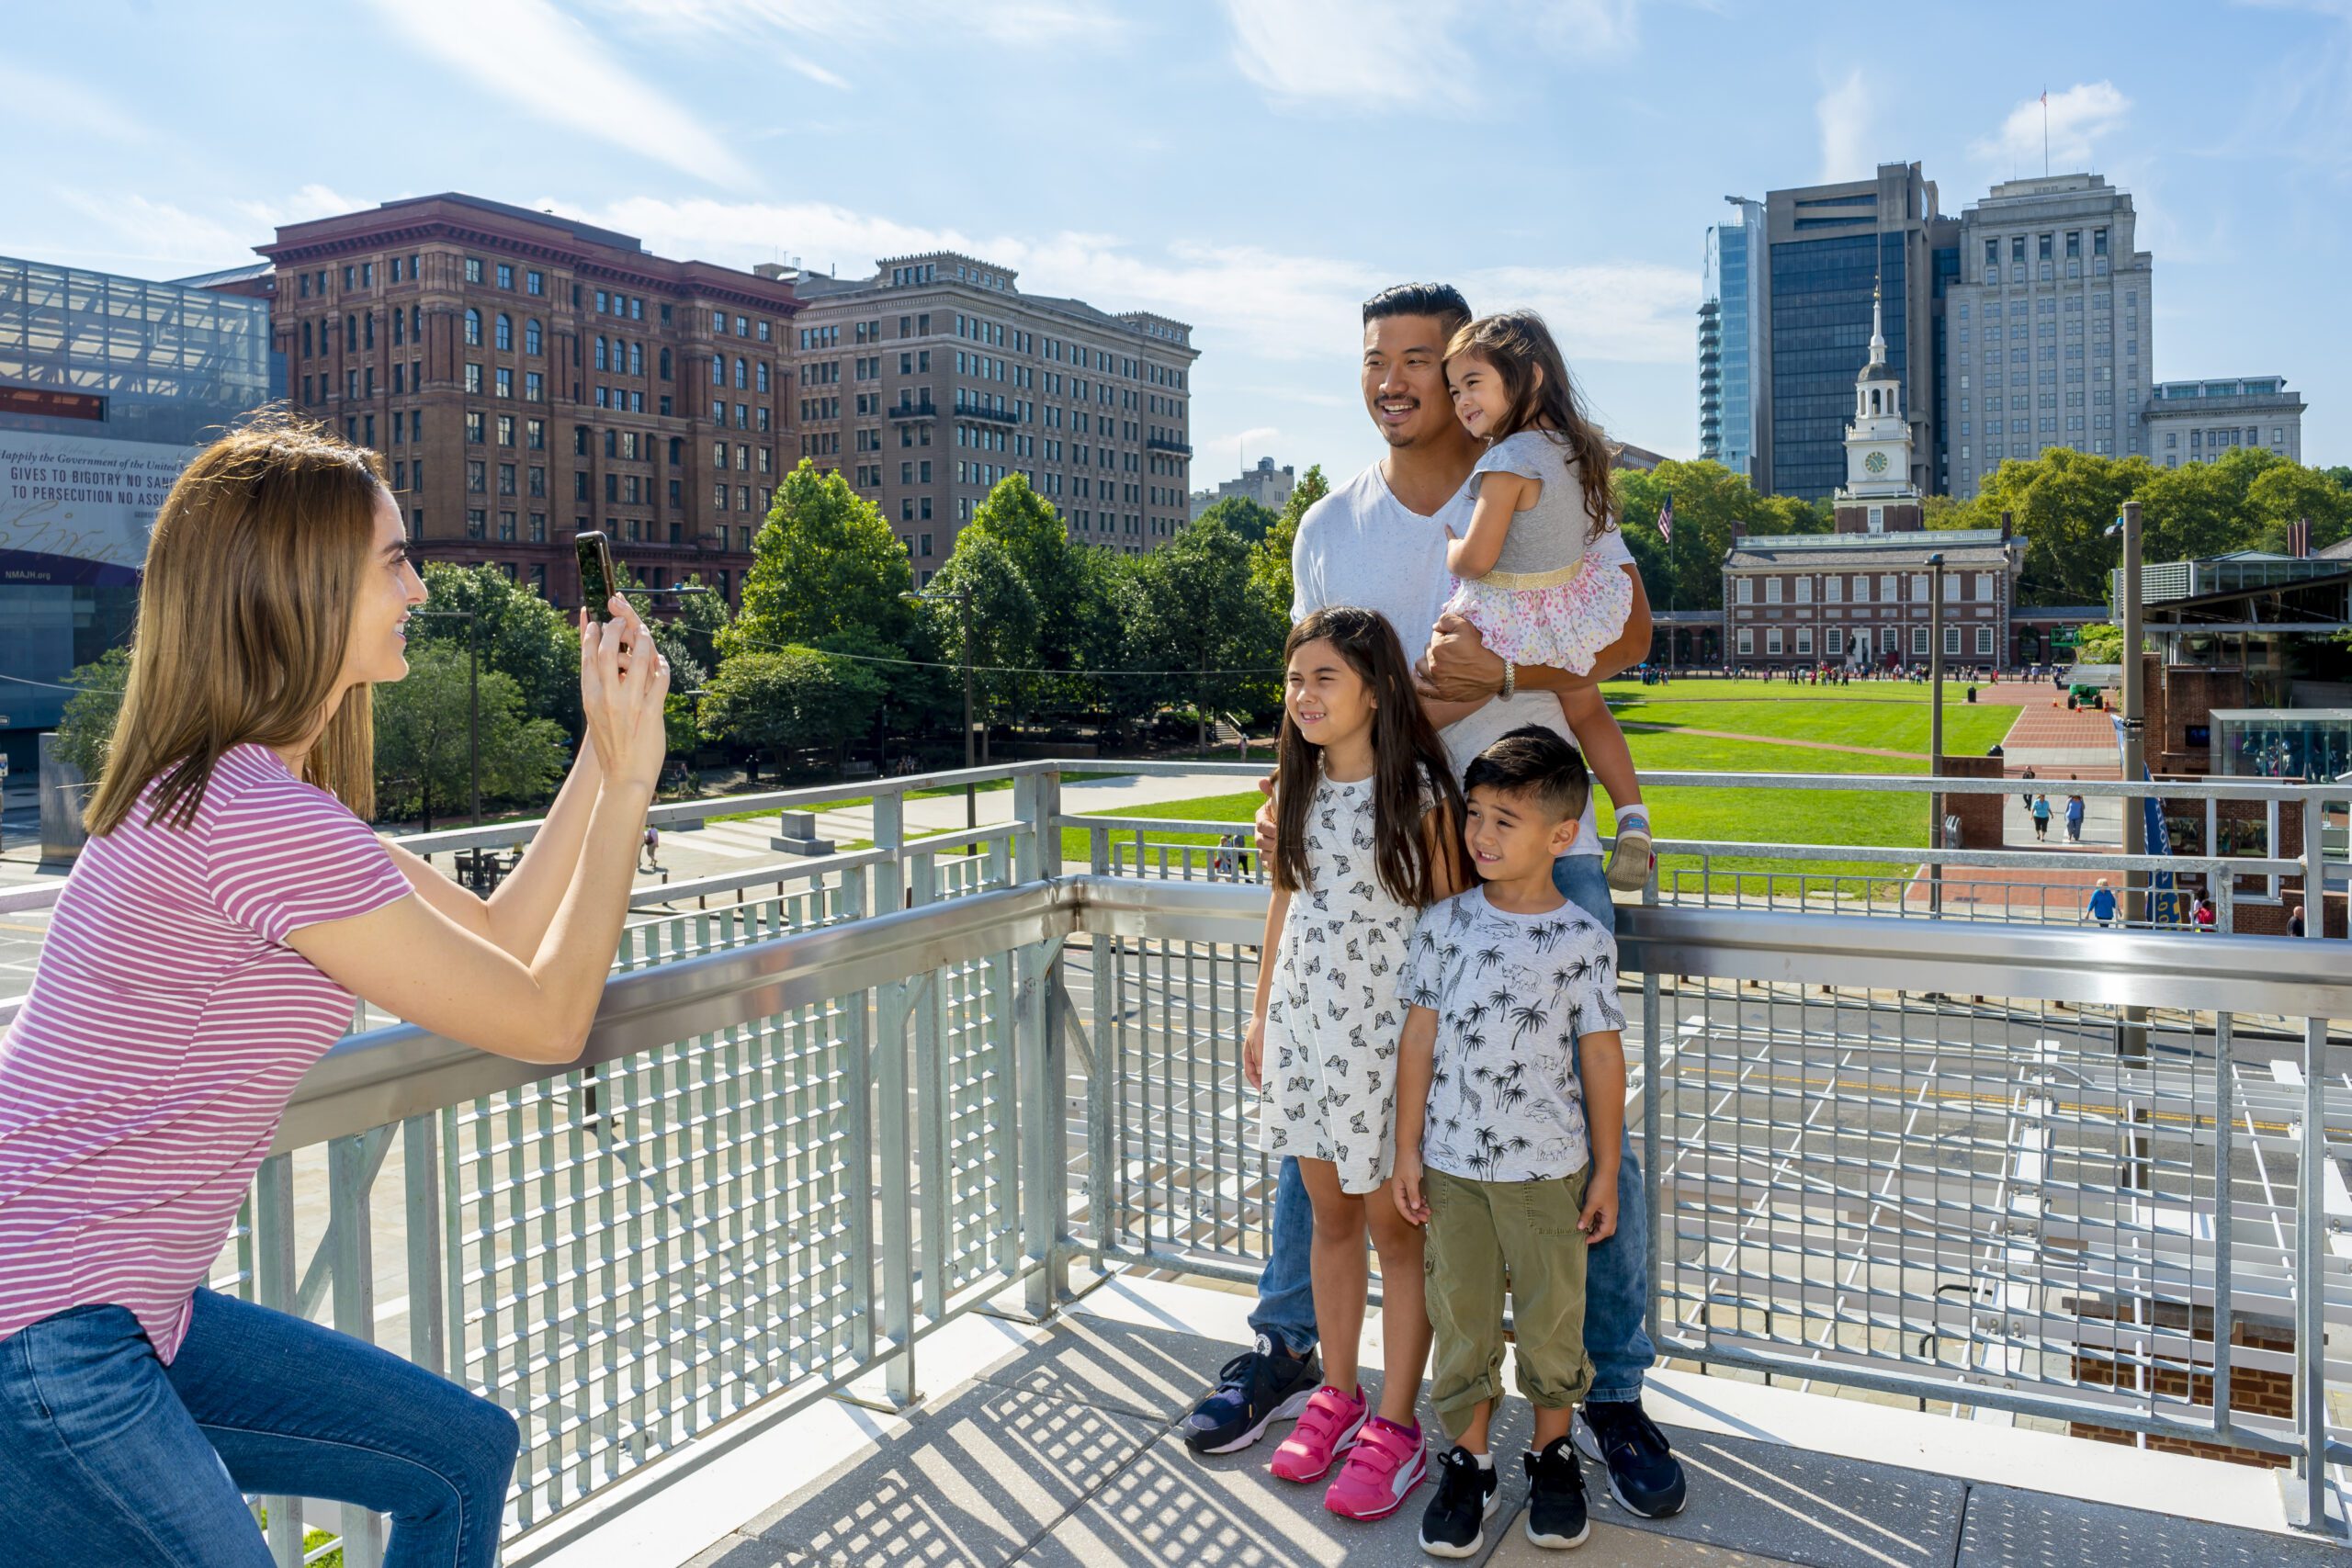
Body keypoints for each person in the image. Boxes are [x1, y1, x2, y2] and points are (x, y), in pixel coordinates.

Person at [0, 417, 672, 1566]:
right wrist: (635, 781)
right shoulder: (259, 820)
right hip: (46, 1334)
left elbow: (507, 934)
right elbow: (550, 1017)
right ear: (299, 588)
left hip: (115, 1311)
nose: (419, 586)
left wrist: (603, 763)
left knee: (456, 1457)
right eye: (394, 560)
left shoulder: (240, 796)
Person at [1182, 283, 1687, 1524]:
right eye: (1379, 361)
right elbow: (1318, 684)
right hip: (1368, 865)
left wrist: (1508, 670)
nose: (1400, 380)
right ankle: (1301, 1347)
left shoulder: (1525, 479)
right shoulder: (1327, 523)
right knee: (1331, 1107)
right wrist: (1282, 796)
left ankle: (1605, 1388)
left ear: (1470, 372)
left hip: (1523, 856)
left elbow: (1629, 632)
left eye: (1424, 359)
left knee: (1574, 1129)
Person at [1244, 608, 1466, 1519]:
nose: (1303, 697)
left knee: (1395, 1236)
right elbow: (1281, 906)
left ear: (1375, 689)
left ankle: (1399, 1425)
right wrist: (1259, 1016)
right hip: (1306, 1041)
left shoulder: (1415, 794)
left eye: (1323, 678)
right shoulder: (1289, 791)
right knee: (1329, 1224)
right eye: (1295, 681)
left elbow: (1453, 932)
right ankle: (1337, 1393)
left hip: (1387, 1054)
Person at [1396, 728, 1625, 1556]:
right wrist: (1407, 1149)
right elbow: (1417, 1040)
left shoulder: (1583, 940)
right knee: (1461, 1318)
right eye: (1476, 815)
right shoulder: (1442, 925)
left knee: (1552, 1319)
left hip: (1549, 1172)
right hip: (1453, 1172)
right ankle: (1467, 1461)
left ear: (1561, 836)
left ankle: (1550, 1455)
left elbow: (1602, 1055)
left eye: (1505, 821)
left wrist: (1605, 1169)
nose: (1482, 836)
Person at [1437, 310, 1652, 893]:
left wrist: (1454, 549)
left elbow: (1480, 560)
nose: (1460, 401)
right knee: (1588, 711)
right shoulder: (1580, 452)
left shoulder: (1506, 460)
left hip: (1504, 609)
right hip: (1567, 609)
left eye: (1472, 384)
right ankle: (1633, 817)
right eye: (1454, 390)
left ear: (1528, 378)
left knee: (1433, 690)